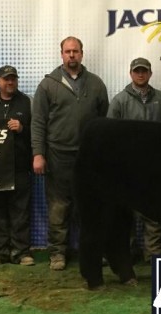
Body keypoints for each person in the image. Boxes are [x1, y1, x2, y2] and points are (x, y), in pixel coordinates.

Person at [32, 37, 109, 271]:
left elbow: (104, 121)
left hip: (88, 158)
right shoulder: (47, 85)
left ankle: (93, 250)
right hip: (57, 156)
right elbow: (38, 123)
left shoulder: (96, 84)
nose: (72, 55)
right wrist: (38, 154)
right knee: (59, 207)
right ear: (61, 54)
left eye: (75, 51)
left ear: (82, 54)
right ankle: (57, 253)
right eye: (68, 51)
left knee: (90, 207)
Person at [107, 57, 161, 261]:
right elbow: (111, 136)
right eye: (137, 71)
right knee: (127, 213)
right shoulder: (119, 100)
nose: (140, 74)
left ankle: (153, 254)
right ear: (130, 73)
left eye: (144, 71)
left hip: (155, 166)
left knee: (154, 213)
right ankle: (127, 253)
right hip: (127, 168)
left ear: (150, 73)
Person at [0, 65, 34, 267]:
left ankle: (21, 252)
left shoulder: (26, 102)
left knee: (20, 211)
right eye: (6, 79)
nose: (10, 82)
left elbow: (37, 130)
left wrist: (22, 128)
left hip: (20, 166)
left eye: (13, 78)